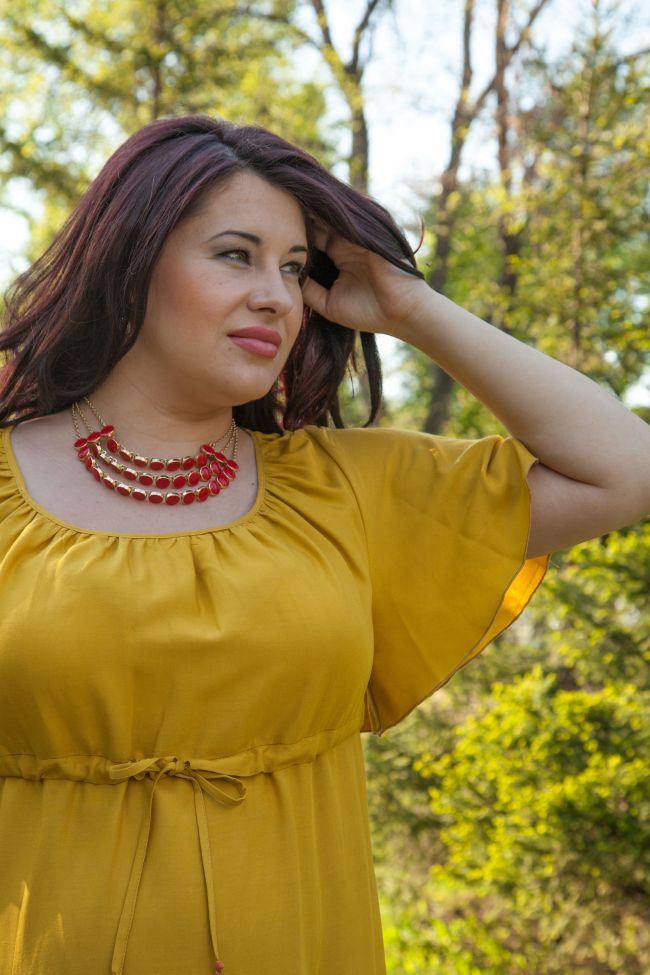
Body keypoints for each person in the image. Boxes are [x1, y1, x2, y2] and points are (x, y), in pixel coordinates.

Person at [0, 114, 648, 975]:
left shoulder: (342, 490)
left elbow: (626, 468)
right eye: (235, 255)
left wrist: (411, 306)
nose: (277, 295)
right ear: (130, 259)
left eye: (295, 268)